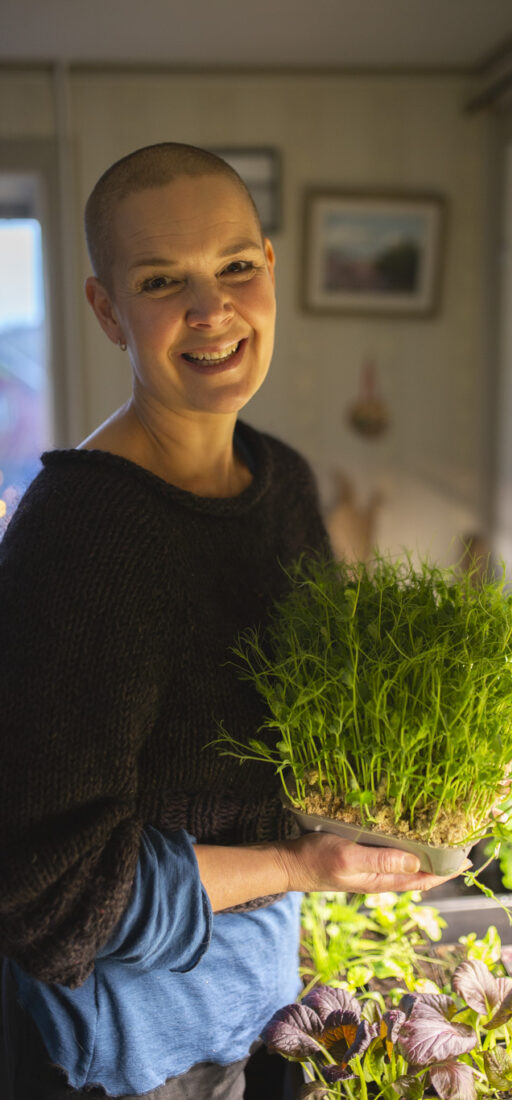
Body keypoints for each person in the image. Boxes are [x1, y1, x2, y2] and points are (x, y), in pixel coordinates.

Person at [0, 142, 457, 1100]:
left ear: (270, 272)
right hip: (130, 1060)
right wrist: (298, 863)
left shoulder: (279, 480)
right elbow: (49, 897)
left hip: (260, 1010)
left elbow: (322, 721)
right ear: (105, 310)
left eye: (235, 267)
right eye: (164, 280)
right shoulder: (82, 538)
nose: (211, 311)